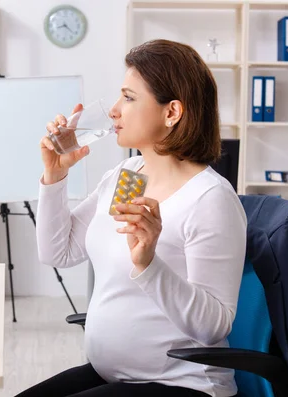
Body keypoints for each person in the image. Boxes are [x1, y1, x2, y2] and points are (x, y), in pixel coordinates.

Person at [16, 39, 247, 397]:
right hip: (115, 375)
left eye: (128, 97)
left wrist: (149, 263)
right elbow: (57, 252)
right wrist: (55, 176)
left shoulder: (210, 199)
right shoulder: (129, 174)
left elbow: (213, 327)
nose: (113, 110)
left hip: (184, 385)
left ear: (171, 112)